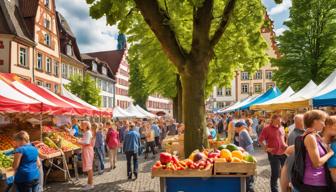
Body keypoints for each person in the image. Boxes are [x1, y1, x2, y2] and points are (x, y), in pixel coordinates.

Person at [298, 110, 333, 192]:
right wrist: (330, 153)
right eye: (323, 121)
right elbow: (317, 163)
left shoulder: (315, 136)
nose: (324, 125)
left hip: (318, 182)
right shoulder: (310, 137)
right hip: (314, 184)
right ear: (315, 121)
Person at [258, 114, 287, 192]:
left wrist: (285, 145)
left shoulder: (281, 128)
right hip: (274, 154)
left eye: (280, 120)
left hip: (284, 153)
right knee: (275, 174)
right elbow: (260, 140)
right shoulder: (267, 128)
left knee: (285, 173)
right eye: (277, 120)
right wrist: (266, 148)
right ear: (272, 120)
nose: (279, 122)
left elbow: (283, 139)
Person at [280, 114, 304, 192]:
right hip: (296, 175)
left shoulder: (296, 133)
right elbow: (292, 159)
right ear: (301, 122)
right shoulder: (296, 136)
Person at [235, 122, 254, 192]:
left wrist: (246, 153)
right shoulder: (242, 132)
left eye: (235, 128)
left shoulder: (242, 132)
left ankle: (250, 188)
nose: (235, 129)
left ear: (239, 127)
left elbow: (249, 143)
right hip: (246, 153)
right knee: (248, 172)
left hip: (247, 154)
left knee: (248, 172)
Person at [77, 121, 94, 190]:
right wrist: (80, 140)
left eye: (82, 124)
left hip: (87, 150)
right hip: (87, 150)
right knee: (89, 167)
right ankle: (89, 183)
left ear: (86, 126)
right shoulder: (87, 132)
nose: (81, 125)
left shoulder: (87, 132)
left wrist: (79, 141)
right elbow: (86, 140)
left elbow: (86, 142)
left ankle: (90, 184)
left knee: (89, 167)